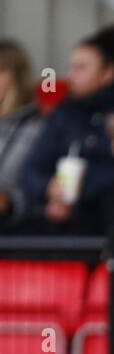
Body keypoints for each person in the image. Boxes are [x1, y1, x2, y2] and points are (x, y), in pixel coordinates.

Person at [18, 25, 114, 238]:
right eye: (71, 67)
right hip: (57, 218)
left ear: (109, 73)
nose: (71, 75)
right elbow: (31, 169)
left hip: (111, 224)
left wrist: (78, 194)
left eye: (81, 68)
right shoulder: (65, 112)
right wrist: (50, 189)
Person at [0, 40, 44, 232]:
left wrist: (9, 202)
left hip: (16, 234)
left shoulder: (37, 128)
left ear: (16, 78)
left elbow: (38, 191)